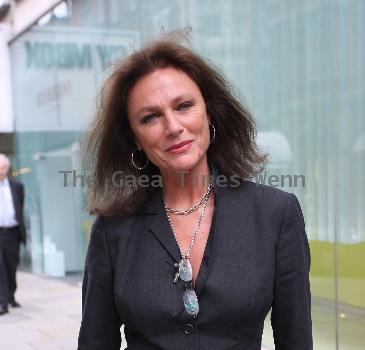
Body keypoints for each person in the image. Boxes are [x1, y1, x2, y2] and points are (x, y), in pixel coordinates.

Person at [78, 30, 312, 349]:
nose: (173, 127)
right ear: (134, 138)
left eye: (184, 105)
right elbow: (94, 342)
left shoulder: (275, 213)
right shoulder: (113, 230)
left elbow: (295, 339)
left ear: (209, 111)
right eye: (150, 117)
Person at [0, 154, 26, 315]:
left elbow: (19, 207)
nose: (0, 171)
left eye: (2, 168)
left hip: (12, 233)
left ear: (8, 169)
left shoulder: (17, 187)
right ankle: (3, 303)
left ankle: (10, 295)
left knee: (11, 267)